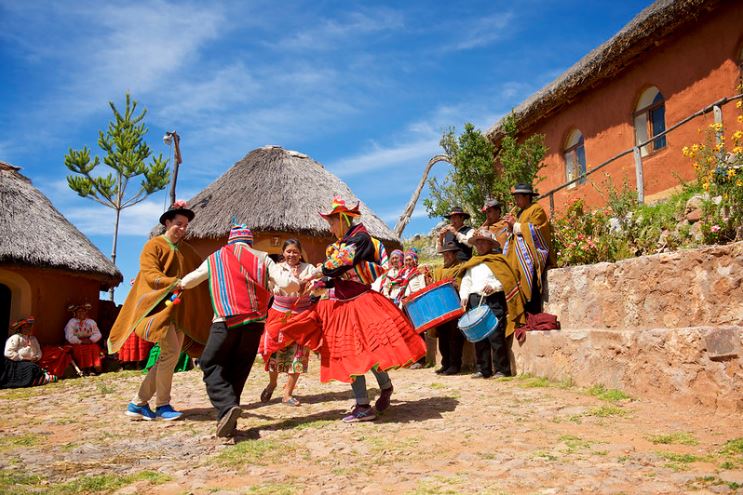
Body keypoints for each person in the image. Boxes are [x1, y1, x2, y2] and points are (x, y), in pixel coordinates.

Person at [262, 197, 426, 423]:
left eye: (331, 222)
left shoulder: (360, 239)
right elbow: (335, 275)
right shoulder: (344, 242)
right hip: (344, 302)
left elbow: (341, 263)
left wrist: (317, 272)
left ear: (341, 218)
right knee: (363, 351)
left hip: (357, 303)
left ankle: (363, 405)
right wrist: (320, 283)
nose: (330, 227)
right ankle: (384, 388)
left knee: (352, 352)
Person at [179, 225, 301, 437]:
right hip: (255, 323)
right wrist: (296, 283)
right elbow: (287, 284)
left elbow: (191, 280)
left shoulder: (216, 256)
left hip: (225, 321)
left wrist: (177, 284)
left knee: (210, 363)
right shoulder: (263, 258)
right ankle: (227, 422)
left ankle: (226, 407)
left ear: (230, 241)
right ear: (250, 242)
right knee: (239, 370)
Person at [108, 200, 212, 422]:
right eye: (179, 224)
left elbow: (202, 271)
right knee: (171, 353)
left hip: (179, 314)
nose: (183, 229)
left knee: (169, 356)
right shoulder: (153, 246)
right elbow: (150, 274)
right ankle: (162, 405)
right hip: (157, 312)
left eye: (185, 225)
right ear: (167, 222)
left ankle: (138, 403)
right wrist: (175, 283)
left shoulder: (188, 251)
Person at [457, 229, 526, 378]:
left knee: (496, 334)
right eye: (478, 242)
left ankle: (502, 369)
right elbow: (466, 281)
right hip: (475, 300)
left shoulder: (498, 260)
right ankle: (483, 369)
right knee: (479, 336)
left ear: (490, 244)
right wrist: (464, 295)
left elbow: (507, 280)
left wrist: (494, 286)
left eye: (483, 242)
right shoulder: (472, 263)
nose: (480, 245)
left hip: (493, 299)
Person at [259, 239, 319, 407]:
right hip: (280, 314)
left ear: (300, 253)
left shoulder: (310, 269)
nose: (292, 255)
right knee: (274, 351)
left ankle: (287, 393)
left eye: (295, 252)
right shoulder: (276, 269)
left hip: (302, 316)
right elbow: (270, 287)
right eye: (288, 251)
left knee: (299, 354)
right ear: (283, 253)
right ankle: (272, 383)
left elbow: (317, 287)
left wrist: (314, 285)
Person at [503, 184, 554, 315]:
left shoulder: (536, 209)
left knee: (532, 287)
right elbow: (516, 233)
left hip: (531, 259)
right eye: (516, 197)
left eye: (519, 197)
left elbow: (537, 229)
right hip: (518, 258)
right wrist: (510, 226)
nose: (516, 201)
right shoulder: (520, 213)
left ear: (527, 197)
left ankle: (534, 317)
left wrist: (515, 224)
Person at [421, 240, 466, 375]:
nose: (446, 257)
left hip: (455, 308)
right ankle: (445, 363)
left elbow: (463, 283)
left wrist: (457, 285)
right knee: (443, 337)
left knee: (454, 337)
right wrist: (428, 281)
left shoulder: (461, 268)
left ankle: (455, 365)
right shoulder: (439, 270)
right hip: (441, 309)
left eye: (449, 254)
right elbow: (433, 285)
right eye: (445, 254)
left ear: (455, 254)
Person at [2, 317, 58, 388]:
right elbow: (8, 352)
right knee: (31, 368)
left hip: (32, 362)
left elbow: (38, 351)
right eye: (26, 327)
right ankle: (41, 379)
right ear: (20, 328)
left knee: (35, 367)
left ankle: (42, 377)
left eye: (30, 327)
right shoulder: (16, 337)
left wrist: (36, 357)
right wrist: (22, 358)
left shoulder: (33, 339)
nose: (28, 329)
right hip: (17, 363)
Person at [400, 249, 428, 369]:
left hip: (415, 304)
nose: (407, 262)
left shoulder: (418, 274)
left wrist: (412, 296)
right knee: (408, 333)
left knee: (418, 332)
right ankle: (411, 358)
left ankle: (421, 360)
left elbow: (422, 289)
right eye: (406, 260)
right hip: (405, 306)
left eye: (410, 260)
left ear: (415, 261)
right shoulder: (402, 275)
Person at [64, 303, 103, 375]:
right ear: (75, 313)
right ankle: (84, 368)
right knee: (79, 350)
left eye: (83, 311)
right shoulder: (71, 322)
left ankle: (93, 368)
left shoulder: (91, 322)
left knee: (95, 348)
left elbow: (98, 334)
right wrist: (80, 341)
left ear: (86, 312)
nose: (81, 313)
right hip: (76, 342)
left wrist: (91, 340)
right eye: (79, 312)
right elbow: (69, 336)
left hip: (89, 341)